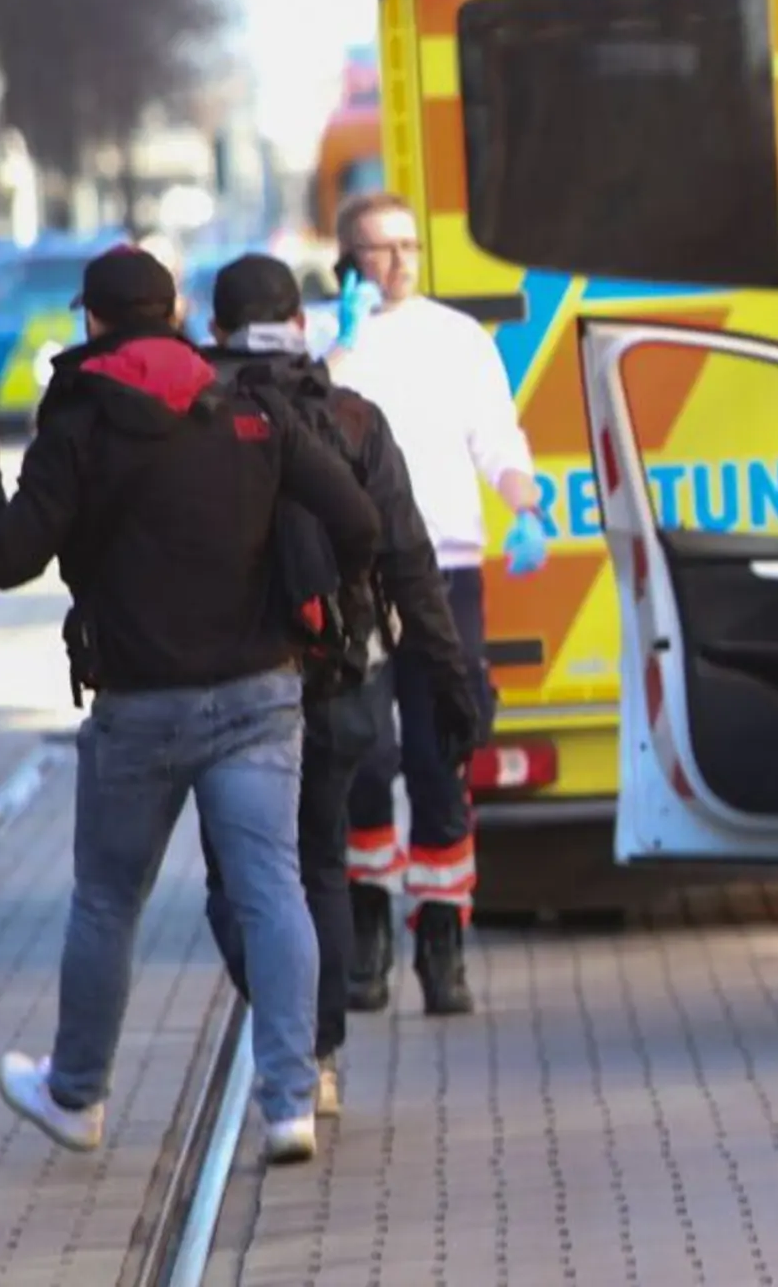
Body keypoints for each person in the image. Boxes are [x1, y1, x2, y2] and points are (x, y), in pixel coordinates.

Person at [0, 245, 380, 1166]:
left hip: (138, 707)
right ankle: (290, 1102)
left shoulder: (77, 422)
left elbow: (10, 560)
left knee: (105, 903)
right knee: (272, 890)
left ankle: (78, 1094)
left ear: (90, 323)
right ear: (176, 316)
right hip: (259, 695)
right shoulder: (251, 408)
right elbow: (358, 524)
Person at [192, 253, 480, 1118]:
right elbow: (409, 560)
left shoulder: (193, 416)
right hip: (342, 679)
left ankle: (292, 1026)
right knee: (316, 862)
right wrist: (449, 678)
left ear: (215, 330)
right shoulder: (354, 418)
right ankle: (314, 1055)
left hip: (228, 683)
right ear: (306, 325)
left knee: (237, 879)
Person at [326, 191, 543, 1016]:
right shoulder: (329, 340)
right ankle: (369, 933)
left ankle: (443, 943)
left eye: (409, 245)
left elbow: (498, 439)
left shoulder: (459, 339)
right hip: (358, 578)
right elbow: (305, 424)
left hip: (446, 570)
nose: (399, 262)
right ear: (348, 259)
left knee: (440, 754)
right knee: (365, 759)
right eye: (379, 249)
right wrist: (339, 346)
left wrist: (525, 507)